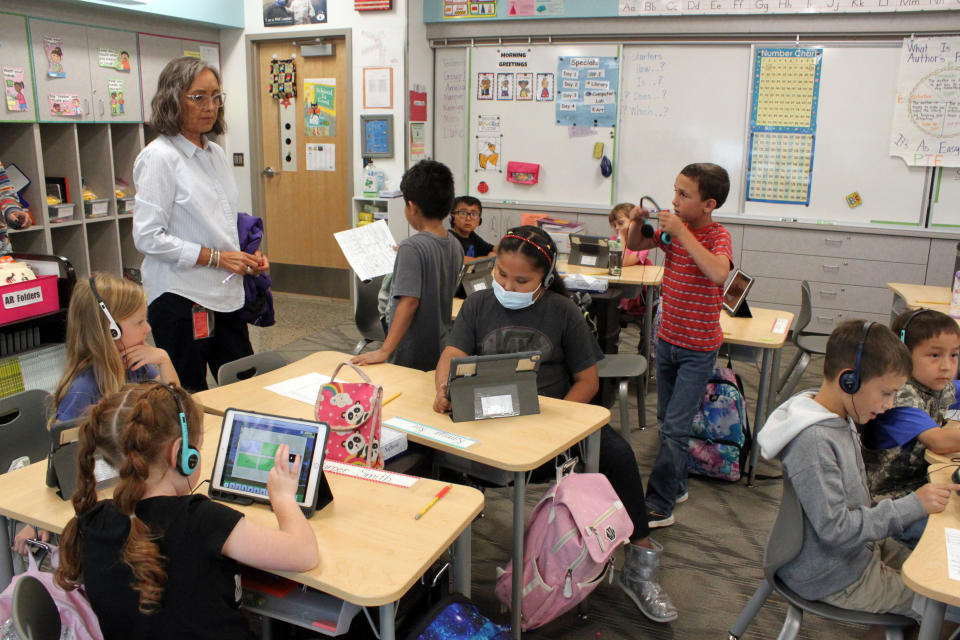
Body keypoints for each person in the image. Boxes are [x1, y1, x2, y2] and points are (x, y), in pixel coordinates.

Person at [432, 225, 677, 624]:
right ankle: (432, 567)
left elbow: (588, 382)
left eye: (521, 280)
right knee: (426, 453)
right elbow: (452, 352)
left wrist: (554, 427)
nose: (508, 285)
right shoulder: (477, 306)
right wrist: (443, 386)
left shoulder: (562, 312)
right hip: (486, 423)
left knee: (615, 454)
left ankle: (641, 562)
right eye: (501, 275)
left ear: (544, 277)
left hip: (553, 424)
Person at [54, 382, 318, 639]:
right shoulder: (201, 519)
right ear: (181, 455)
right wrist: (283, 497)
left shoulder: (93, 519)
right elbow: (304, 554)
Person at [756, 320, 958, 627]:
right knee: (945, 605)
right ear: (848, 381)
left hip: (855, 552)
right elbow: (836, 528)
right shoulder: (814, 441)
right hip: (831, 573)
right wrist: (913, 504)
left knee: (943, 575)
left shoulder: (837, 414)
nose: (890, 404)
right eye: (886, 393)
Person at [133, 56, 267, 391]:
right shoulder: (159, 157)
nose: (210, 107)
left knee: (243, 382)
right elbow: (148, 237)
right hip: (181, 297)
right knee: (187, 394)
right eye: (198, 97)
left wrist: (247, 254)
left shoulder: (215, 154)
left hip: (224, 294)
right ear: (173, 99)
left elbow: (220, 219)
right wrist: (219, 258)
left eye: (216, 97)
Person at [624, 163, 733, 528]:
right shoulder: (672, 231)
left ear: (709, 204)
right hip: (668, 341)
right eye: (675, 190)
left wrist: (684, 234)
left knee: (675, 428)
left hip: (698, 350)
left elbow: (719, 272)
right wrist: (638, 222)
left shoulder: (717, 236)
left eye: (684, 195)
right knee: (666, 420)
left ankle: (659, 503)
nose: (674, 199)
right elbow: (634, 244)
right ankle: (679, 484)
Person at [352, 160, 463, 371]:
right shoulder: (454, 244)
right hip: (439, 342)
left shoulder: (412, 247)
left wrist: (385, 350)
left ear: (412, 207)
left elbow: (408, 302)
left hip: (410, 347)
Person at [861, 308, 960, 545]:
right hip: (890, 506)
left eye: (954, 355)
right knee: (951, 535)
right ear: (903, 355)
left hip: (922, 488)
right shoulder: (899, 395)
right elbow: (938, 441)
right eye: (935, 356)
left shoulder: (936, 383)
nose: (947, 366)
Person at [53, 273, 179, 424]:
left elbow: (176, 410)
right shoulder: (83, 388)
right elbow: (65, 443)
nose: (148, 328)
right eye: (140, 322)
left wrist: (164, 360)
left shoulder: (135, 364)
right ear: (112, 331)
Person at [608, 202, 652, 316]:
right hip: (612, 287)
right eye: (615, 225)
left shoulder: (643, 244)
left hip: (631, 293)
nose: (617, 228)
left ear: (634, 222)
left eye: (620, 223)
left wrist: (622, 236)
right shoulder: (613, 239)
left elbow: (621, 262)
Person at [449, 196, 496, 263]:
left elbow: (493, 250)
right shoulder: (449, 238)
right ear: (453, 217)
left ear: (479, 220)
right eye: (463, 213)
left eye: (474, 214)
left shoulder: (472, 236)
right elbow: (460, 260)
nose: (468, 218)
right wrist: (488, 258)